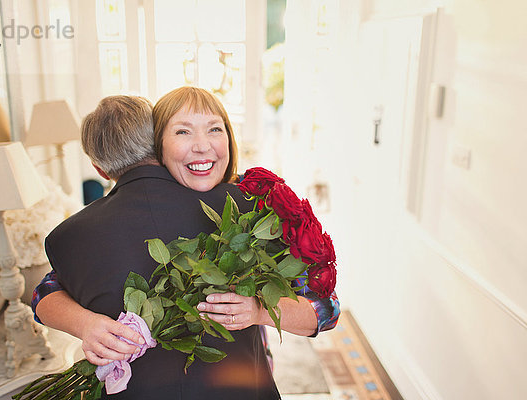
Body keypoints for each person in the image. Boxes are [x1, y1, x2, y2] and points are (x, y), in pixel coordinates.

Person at [33, 87, 340, 399]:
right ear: (158, 146)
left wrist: (84, 324)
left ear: (99, 169)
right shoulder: (249, 207)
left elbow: (43, 294)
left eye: (214, 130)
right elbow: (326, 308)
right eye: (183, 131)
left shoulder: (66, 238)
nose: (201, 146)